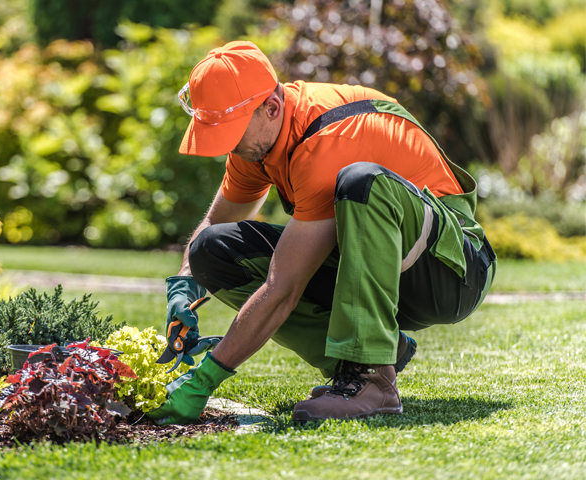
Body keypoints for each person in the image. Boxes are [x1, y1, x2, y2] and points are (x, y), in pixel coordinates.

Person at [147, 41, 496, 425]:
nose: (224, 149)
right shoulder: (258, 144)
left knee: (362, 181)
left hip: (452, 271)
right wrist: (184, 285)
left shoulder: (328, 141)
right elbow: (213, 226)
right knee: (209, 250)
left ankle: (370, 377)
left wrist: (205, 379)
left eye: (230, 134)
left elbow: (283, 288)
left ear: (271, 108)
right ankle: (371, 355)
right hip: (385, 266)